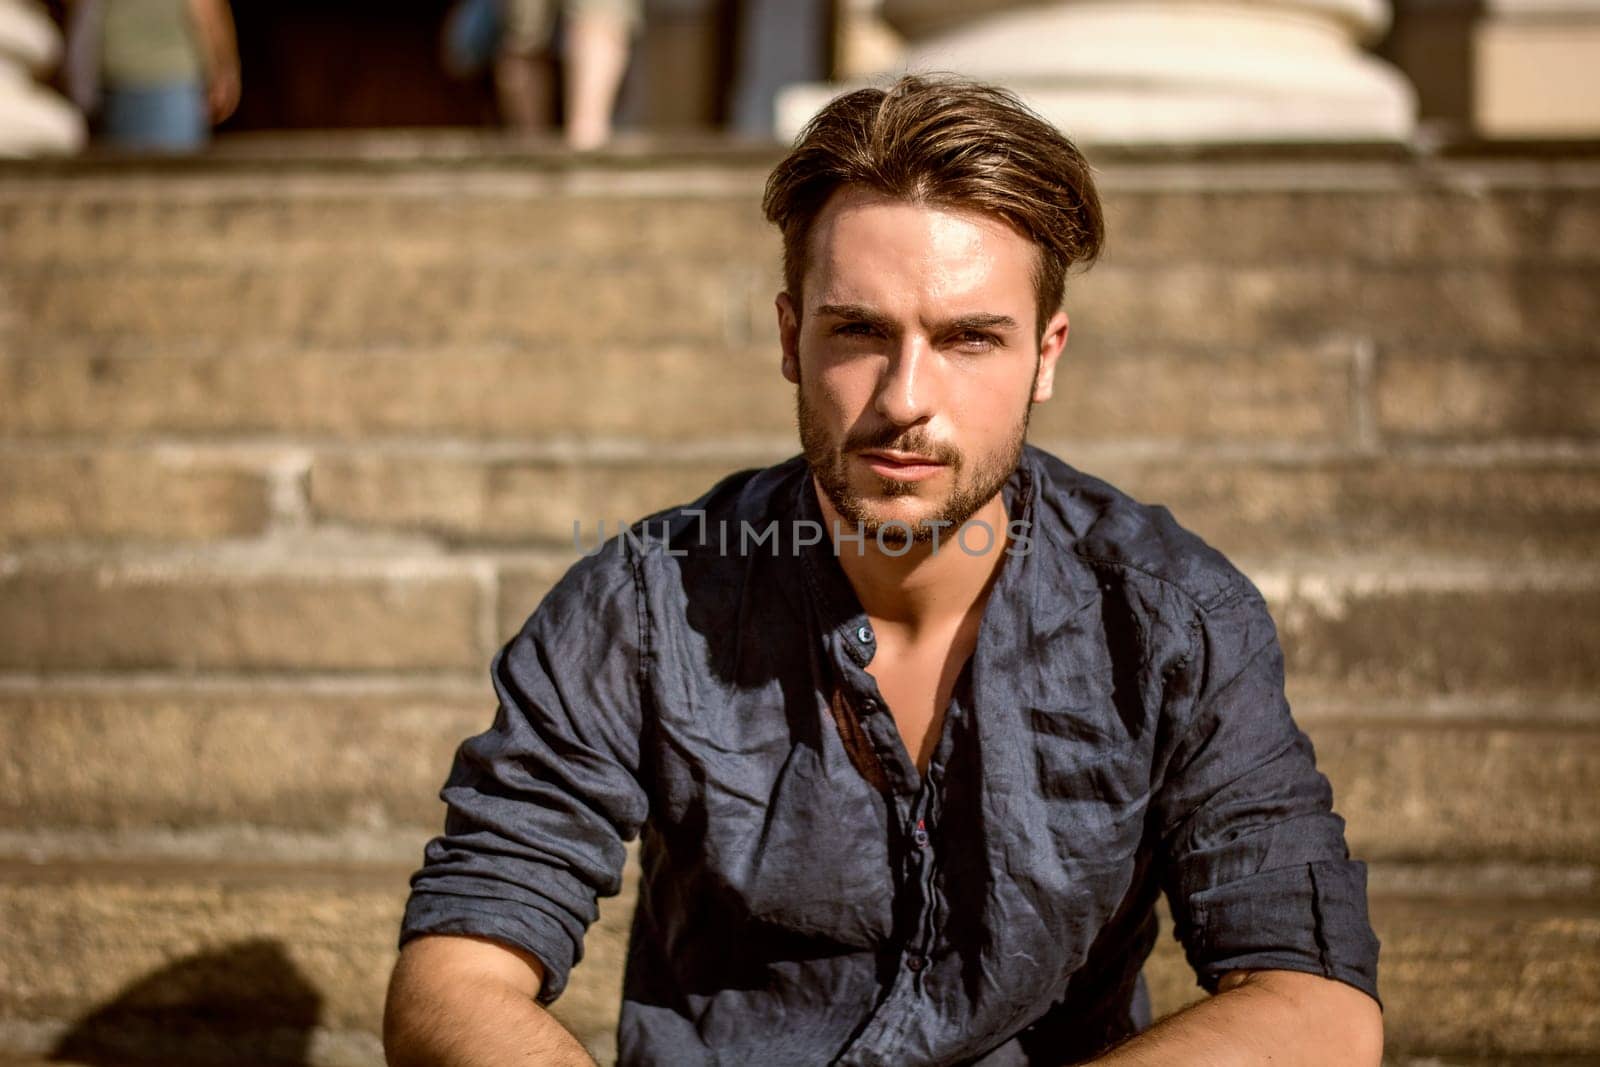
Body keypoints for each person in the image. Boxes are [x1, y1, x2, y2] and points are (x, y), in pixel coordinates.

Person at [384, 75, 1384, 1066]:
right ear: (790, 337)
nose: (907, 398)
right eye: (859, 331)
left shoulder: (1172, 618)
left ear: (1045, 353)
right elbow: (456, 975)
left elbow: (1312, 1000)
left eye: (968, 339)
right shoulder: (639, 606)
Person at [63, 0, 238, 153]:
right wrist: (225, 70)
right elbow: (204, 8)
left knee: (123, 181)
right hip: (171, 78)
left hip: (115, 75)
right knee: (177, 180)